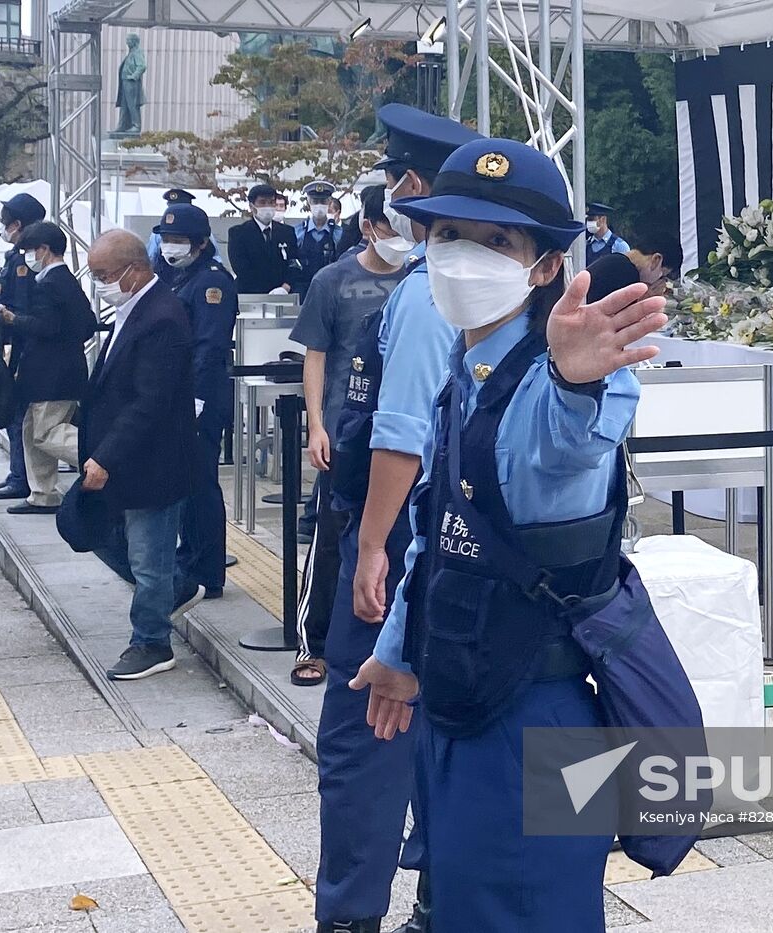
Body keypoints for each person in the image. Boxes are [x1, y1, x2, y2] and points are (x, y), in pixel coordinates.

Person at [350, 137, 667, 932]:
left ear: (543, 267)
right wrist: (395, 653)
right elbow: (438, 527)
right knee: (465, 903)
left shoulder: (564, 375)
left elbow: (556, 449)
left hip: (543, 713)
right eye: (449, 234)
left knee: (533, 913)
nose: (462, 256)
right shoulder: (468, 367)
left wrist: (572, 379)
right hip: (460, 696)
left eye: (497, 242)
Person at [312, 102, 479, 933]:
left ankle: (350, 912)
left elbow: (401, 434)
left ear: (413, 184)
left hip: (400, 536)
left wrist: (372, 542)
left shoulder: (421, 294)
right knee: (431, 727)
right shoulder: (465, 287)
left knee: (363, 730)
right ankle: (435, 897)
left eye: (394, 175)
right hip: (445, 536)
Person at [288, 184, 413, 689]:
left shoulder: (421, 281)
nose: (400, 239)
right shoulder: (332, 280)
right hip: (346, 434)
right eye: (390, 228)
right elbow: (314, 355)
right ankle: (312, 643)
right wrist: (316, 424)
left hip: (403, 433)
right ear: (368, 228)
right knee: (332, 541)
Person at [78, 231, 199, 680]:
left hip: (153, 459)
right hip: (124, 456)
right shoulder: (131, 309)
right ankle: (176, 586)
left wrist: (106, 456)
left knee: (148, 554)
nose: (101, 284)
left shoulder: (162, 317)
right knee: (94, 531)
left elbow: (150, 401)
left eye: (105, 275)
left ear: (134, 269)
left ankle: (151, 640)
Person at [152, 204, 237, 603]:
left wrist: (198, 399)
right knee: (185, 479)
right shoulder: (177, 277)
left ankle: (207, 568)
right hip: (178, 393)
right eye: (166, 238)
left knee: (201, 481)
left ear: (201, 244)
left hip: (202, 394)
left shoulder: (211, 283)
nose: (170, 246)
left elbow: (209, 345)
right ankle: (190, 556)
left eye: (179, 240)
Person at [0, 221, 90, 515]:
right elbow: (86, 324)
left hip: (52, 375)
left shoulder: (50, 284)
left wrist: (15, 320)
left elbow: (46, 326)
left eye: (29, 250)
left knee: (46, 432)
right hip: (61, 371)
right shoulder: (67, 280)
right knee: (31, 430)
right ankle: (43, 494)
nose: (27, 257)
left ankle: (100, 457)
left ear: (44, 250)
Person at [0, 192, 48, 502]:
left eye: (6, 223)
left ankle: (20, 477)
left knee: (17, 416)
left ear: (19, 224)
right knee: (15, 415)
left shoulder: (25, 263)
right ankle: (18, 475)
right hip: (11, 344)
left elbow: (20, 307)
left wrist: (3, 317)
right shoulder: (15, 258)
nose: (3, 229)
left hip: (22, 348)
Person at [228, 184, 300, 296]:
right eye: (262, 202)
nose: (267, 206)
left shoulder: (287, 232)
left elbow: (294, 263)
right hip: (250, 296)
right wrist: (265, 293)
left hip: (283, 296)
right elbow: (241, 268)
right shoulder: (238, 233)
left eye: (271, 202)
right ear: (252, 206)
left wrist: (285, 288)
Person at [296, 180, 340, 298]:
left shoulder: (338, 233)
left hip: (330, 289)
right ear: (309, 202)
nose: (319, 205)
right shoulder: (298, 231)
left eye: (323, 201)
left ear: (329, 202)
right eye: (315, 201)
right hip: (303, 291)